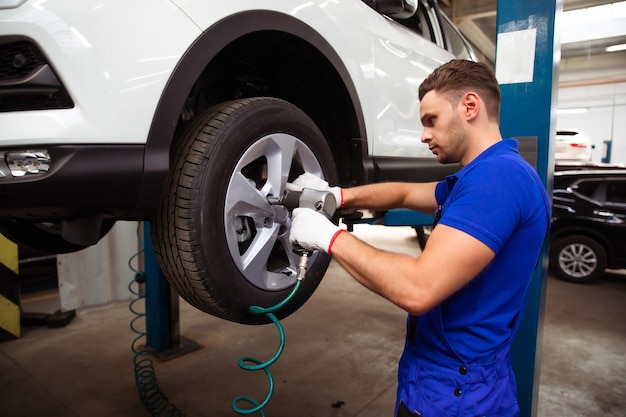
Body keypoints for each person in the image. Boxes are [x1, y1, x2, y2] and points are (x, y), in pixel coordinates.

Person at [289, 59, 551, 417]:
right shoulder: (482, 176)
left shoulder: (498, 180)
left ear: (470, 106)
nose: (424, 135)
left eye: (432, 120)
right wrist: (338, 195)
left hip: (457, 395)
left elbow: (418, 289)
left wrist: (328, 237)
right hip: (441, 376)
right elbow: (404, 193)